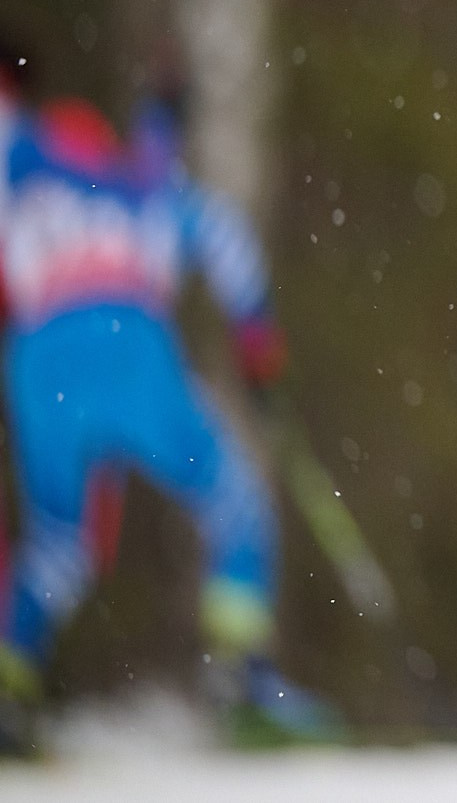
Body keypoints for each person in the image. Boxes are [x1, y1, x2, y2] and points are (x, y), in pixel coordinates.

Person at [0, 54, 337, 745]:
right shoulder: (137, 182)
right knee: (235, 502)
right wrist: (257, 341)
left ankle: (7, 688)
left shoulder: (18, 176)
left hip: (39, 362)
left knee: (59, 543)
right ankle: (241, 681)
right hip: (130, 347)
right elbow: (222, 234)